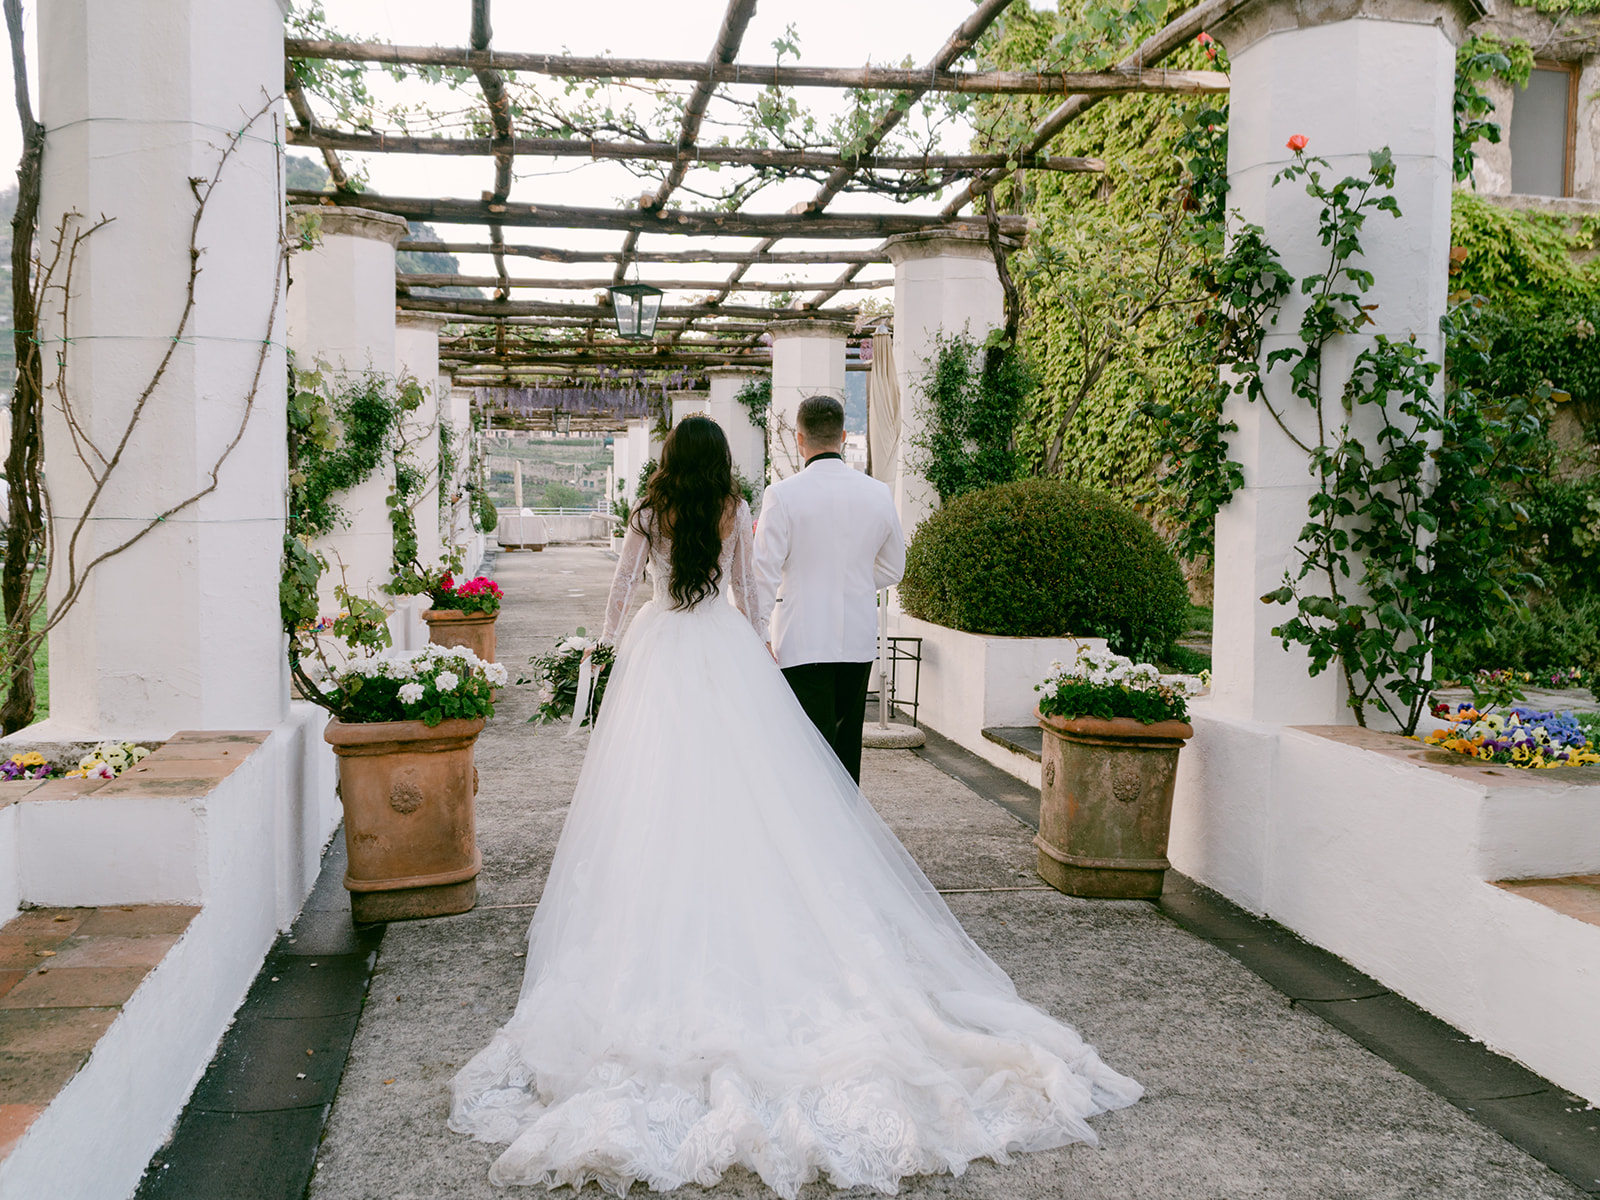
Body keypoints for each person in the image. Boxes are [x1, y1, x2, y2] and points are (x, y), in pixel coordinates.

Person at [449, 415, 1140, 1198]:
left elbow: (619, 590)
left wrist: (603, 646)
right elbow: (748, 592)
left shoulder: (650, 510)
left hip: (661, 650)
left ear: (672, 459)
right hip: (721, 643)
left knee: (654, 787)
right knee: (748, 788)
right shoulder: (733, 509)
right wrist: (759, 650)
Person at [753, 394, 904, 783]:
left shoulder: (782, 495)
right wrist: (852, 582)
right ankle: (845, 835)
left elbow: (763, 574)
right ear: (843, 435)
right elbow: (893, 567)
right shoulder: (877, 493)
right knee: (846, 745)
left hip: (800, 640)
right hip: (856, 637)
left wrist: (757, 632)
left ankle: (810, 835)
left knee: (804, 750)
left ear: (800, 439)